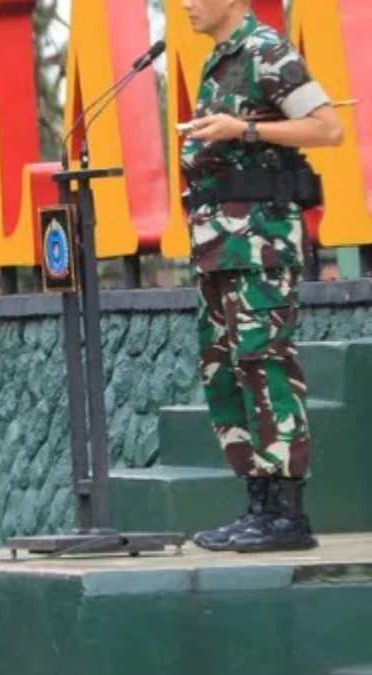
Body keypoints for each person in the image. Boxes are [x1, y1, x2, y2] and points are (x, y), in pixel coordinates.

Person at [180, 0, 344, 553]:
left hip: (261, 244)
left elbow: (328, 128)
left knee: (265, 361)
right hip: (219, 246)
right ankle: (259, 503)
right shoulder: (220, 60)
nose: (186, 4)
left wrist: (243, 129)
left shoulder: (266, 51)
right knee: (225, 369)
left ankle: (288, 512)